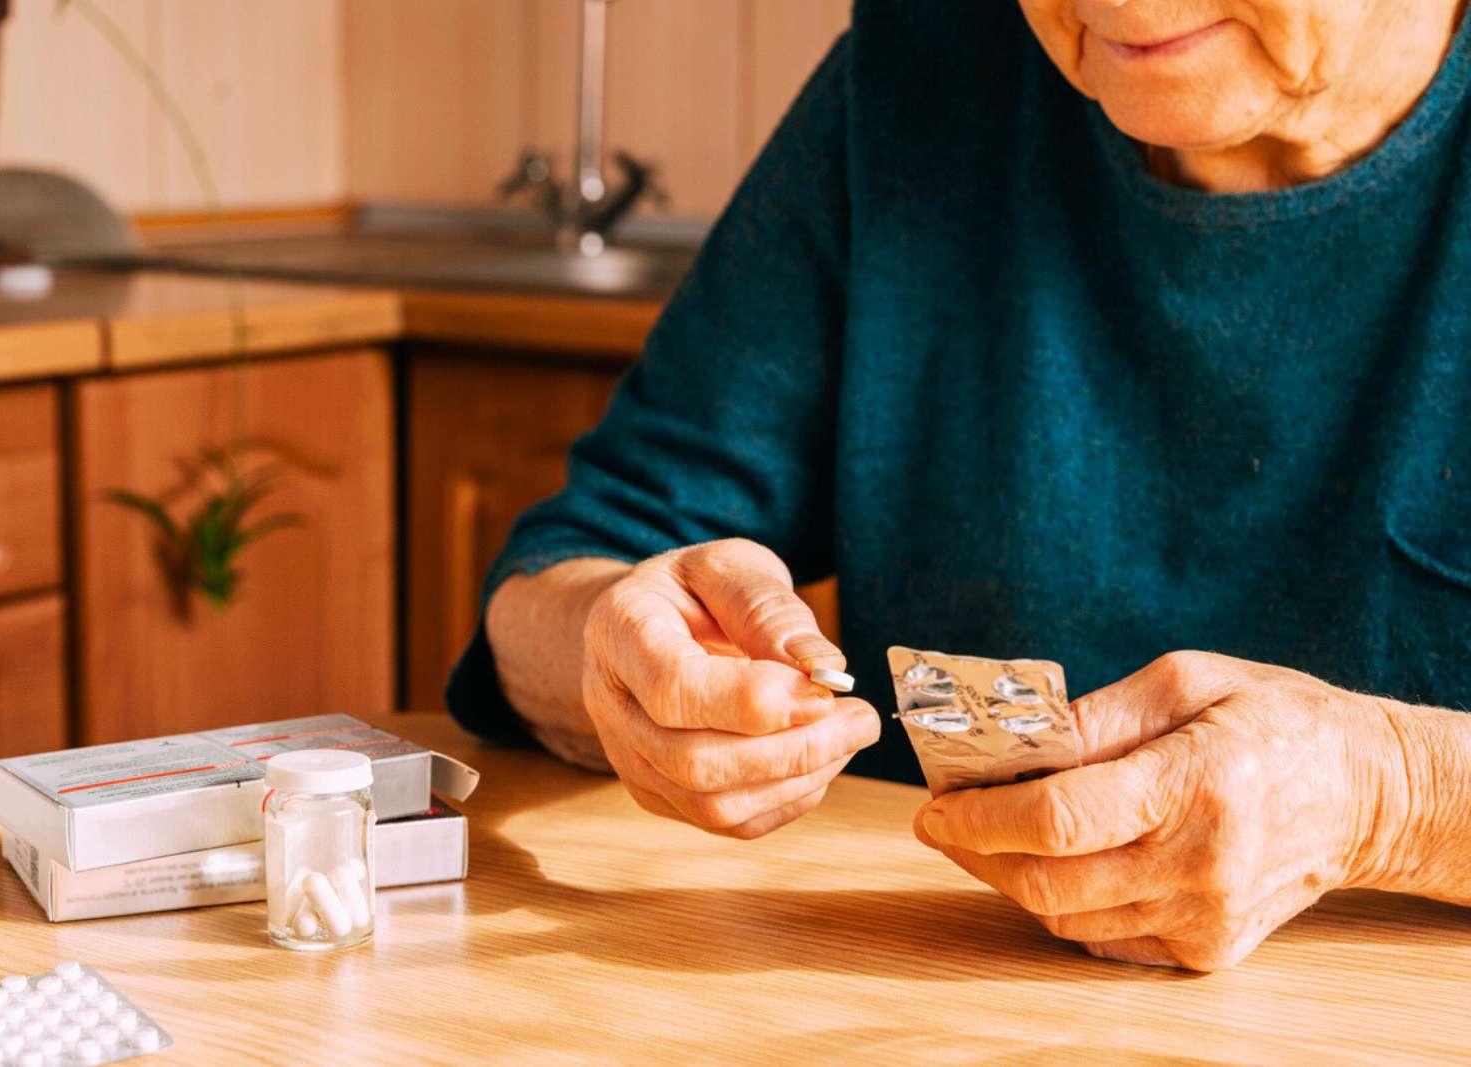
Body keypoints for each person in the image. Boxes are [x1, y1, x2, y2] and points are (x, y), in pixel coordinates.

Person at [447, 0, 1471, 971]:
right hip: (898, 991)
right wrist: (615, 657)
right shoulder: (926, 64)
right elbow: (567, 575)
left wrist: (1390, 796)